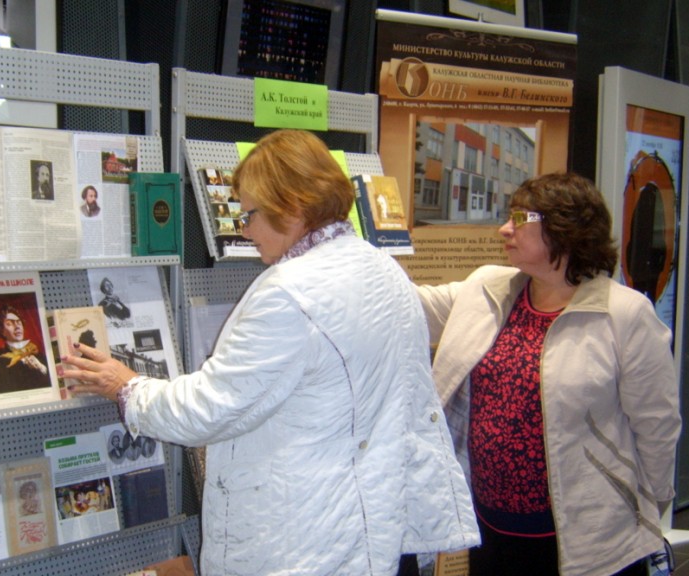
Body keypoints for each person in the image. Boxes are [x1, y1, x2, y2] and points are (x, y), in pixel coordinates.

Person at [61, 129, 479, 575]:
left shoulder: (290, 292)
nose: (244, 230)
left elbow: (210, 409)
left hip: (302, 541)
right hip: (367, 525)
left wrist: (127, 388)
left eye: (251, 214)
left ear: (292, 206)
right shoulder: (383, 269)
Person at [414, 172, 681, 576]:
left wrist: (648, 507)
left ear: (566, 230)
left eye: (521, 219)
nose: (505, 229)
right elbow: (409, 306)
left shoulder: (624, 314)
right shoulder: (487, 288)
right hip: (491, 526)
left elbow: (657, 424)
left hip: (586, 541)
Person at [0, 304, 51, 394]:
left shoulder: (38, 354)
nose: (17, 326)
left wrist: (41, 368)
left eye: (18, 322)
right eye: (9, 324)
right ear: (2, 331)